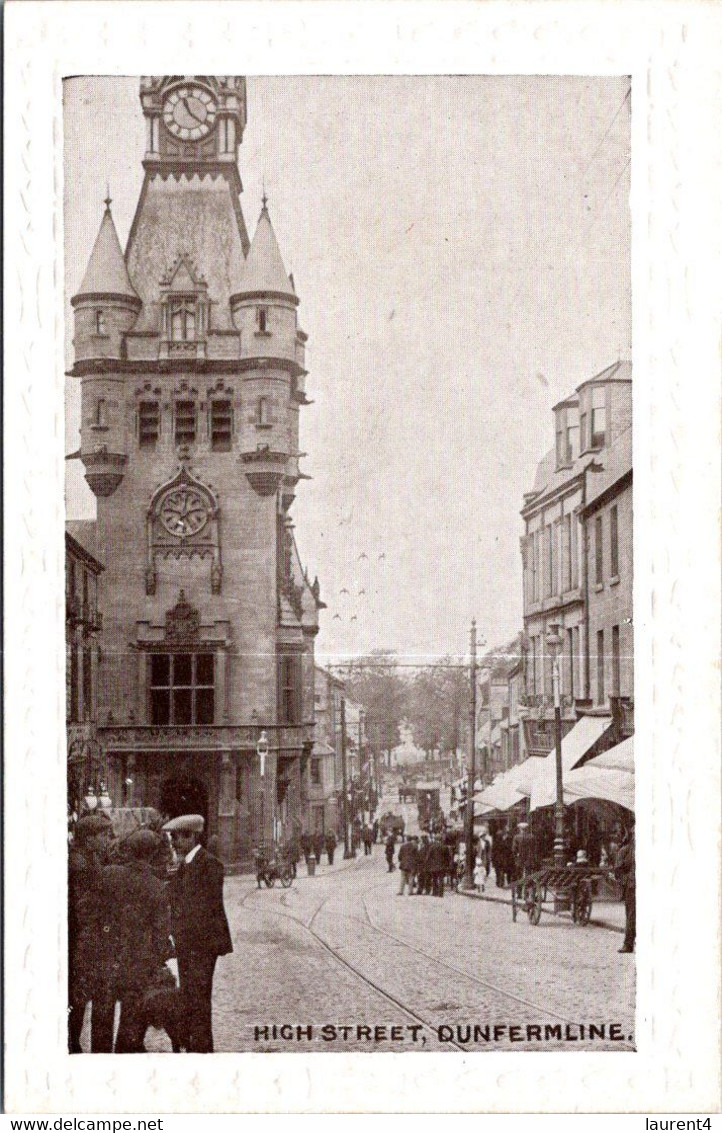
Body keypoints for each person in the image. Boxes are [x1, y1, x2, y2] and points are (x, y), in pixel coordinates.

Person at [163, 814, 233, 1052]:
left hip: (202, 945)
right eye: (172, 837)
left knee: (199, 999)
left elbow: (202, 909)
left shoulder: (209, 865)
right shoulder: (185, 864)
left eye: (177, 837)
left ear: (192, 836)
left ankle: (202, 1049)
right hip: (188, 945)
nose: (173, 842)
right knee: (190, 997)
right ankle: (194, 1044)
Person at [105, 828, 173, 1053]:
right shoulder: (155, 886)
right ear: (152, 853)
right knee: (135, 1008)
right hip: (142, 958)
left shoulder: (113, 876)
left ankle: (117, 1048)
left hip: (112, 953)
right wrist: (164, 952)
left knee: (114, 1007)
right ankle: (128, 1048)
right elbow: (161, 931)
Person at [68, 811, 116, 1053]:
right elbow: (83, 907)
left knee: (90, 996)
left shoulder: (92, 858)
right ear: (89, 838)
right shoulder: (79, 864)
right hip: (86, 941)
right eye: (103, 835)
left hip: (93, 939)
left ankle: (94, 1049)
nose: (108, 839)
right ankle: (73, 1046)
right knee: (80, 998)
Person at [614, 822, 635, 953]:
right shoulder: (627, 851)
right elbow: (618, 870)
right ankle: (628, 943)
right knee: (632, 916)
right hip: (633, 886)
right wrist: (625, 881)